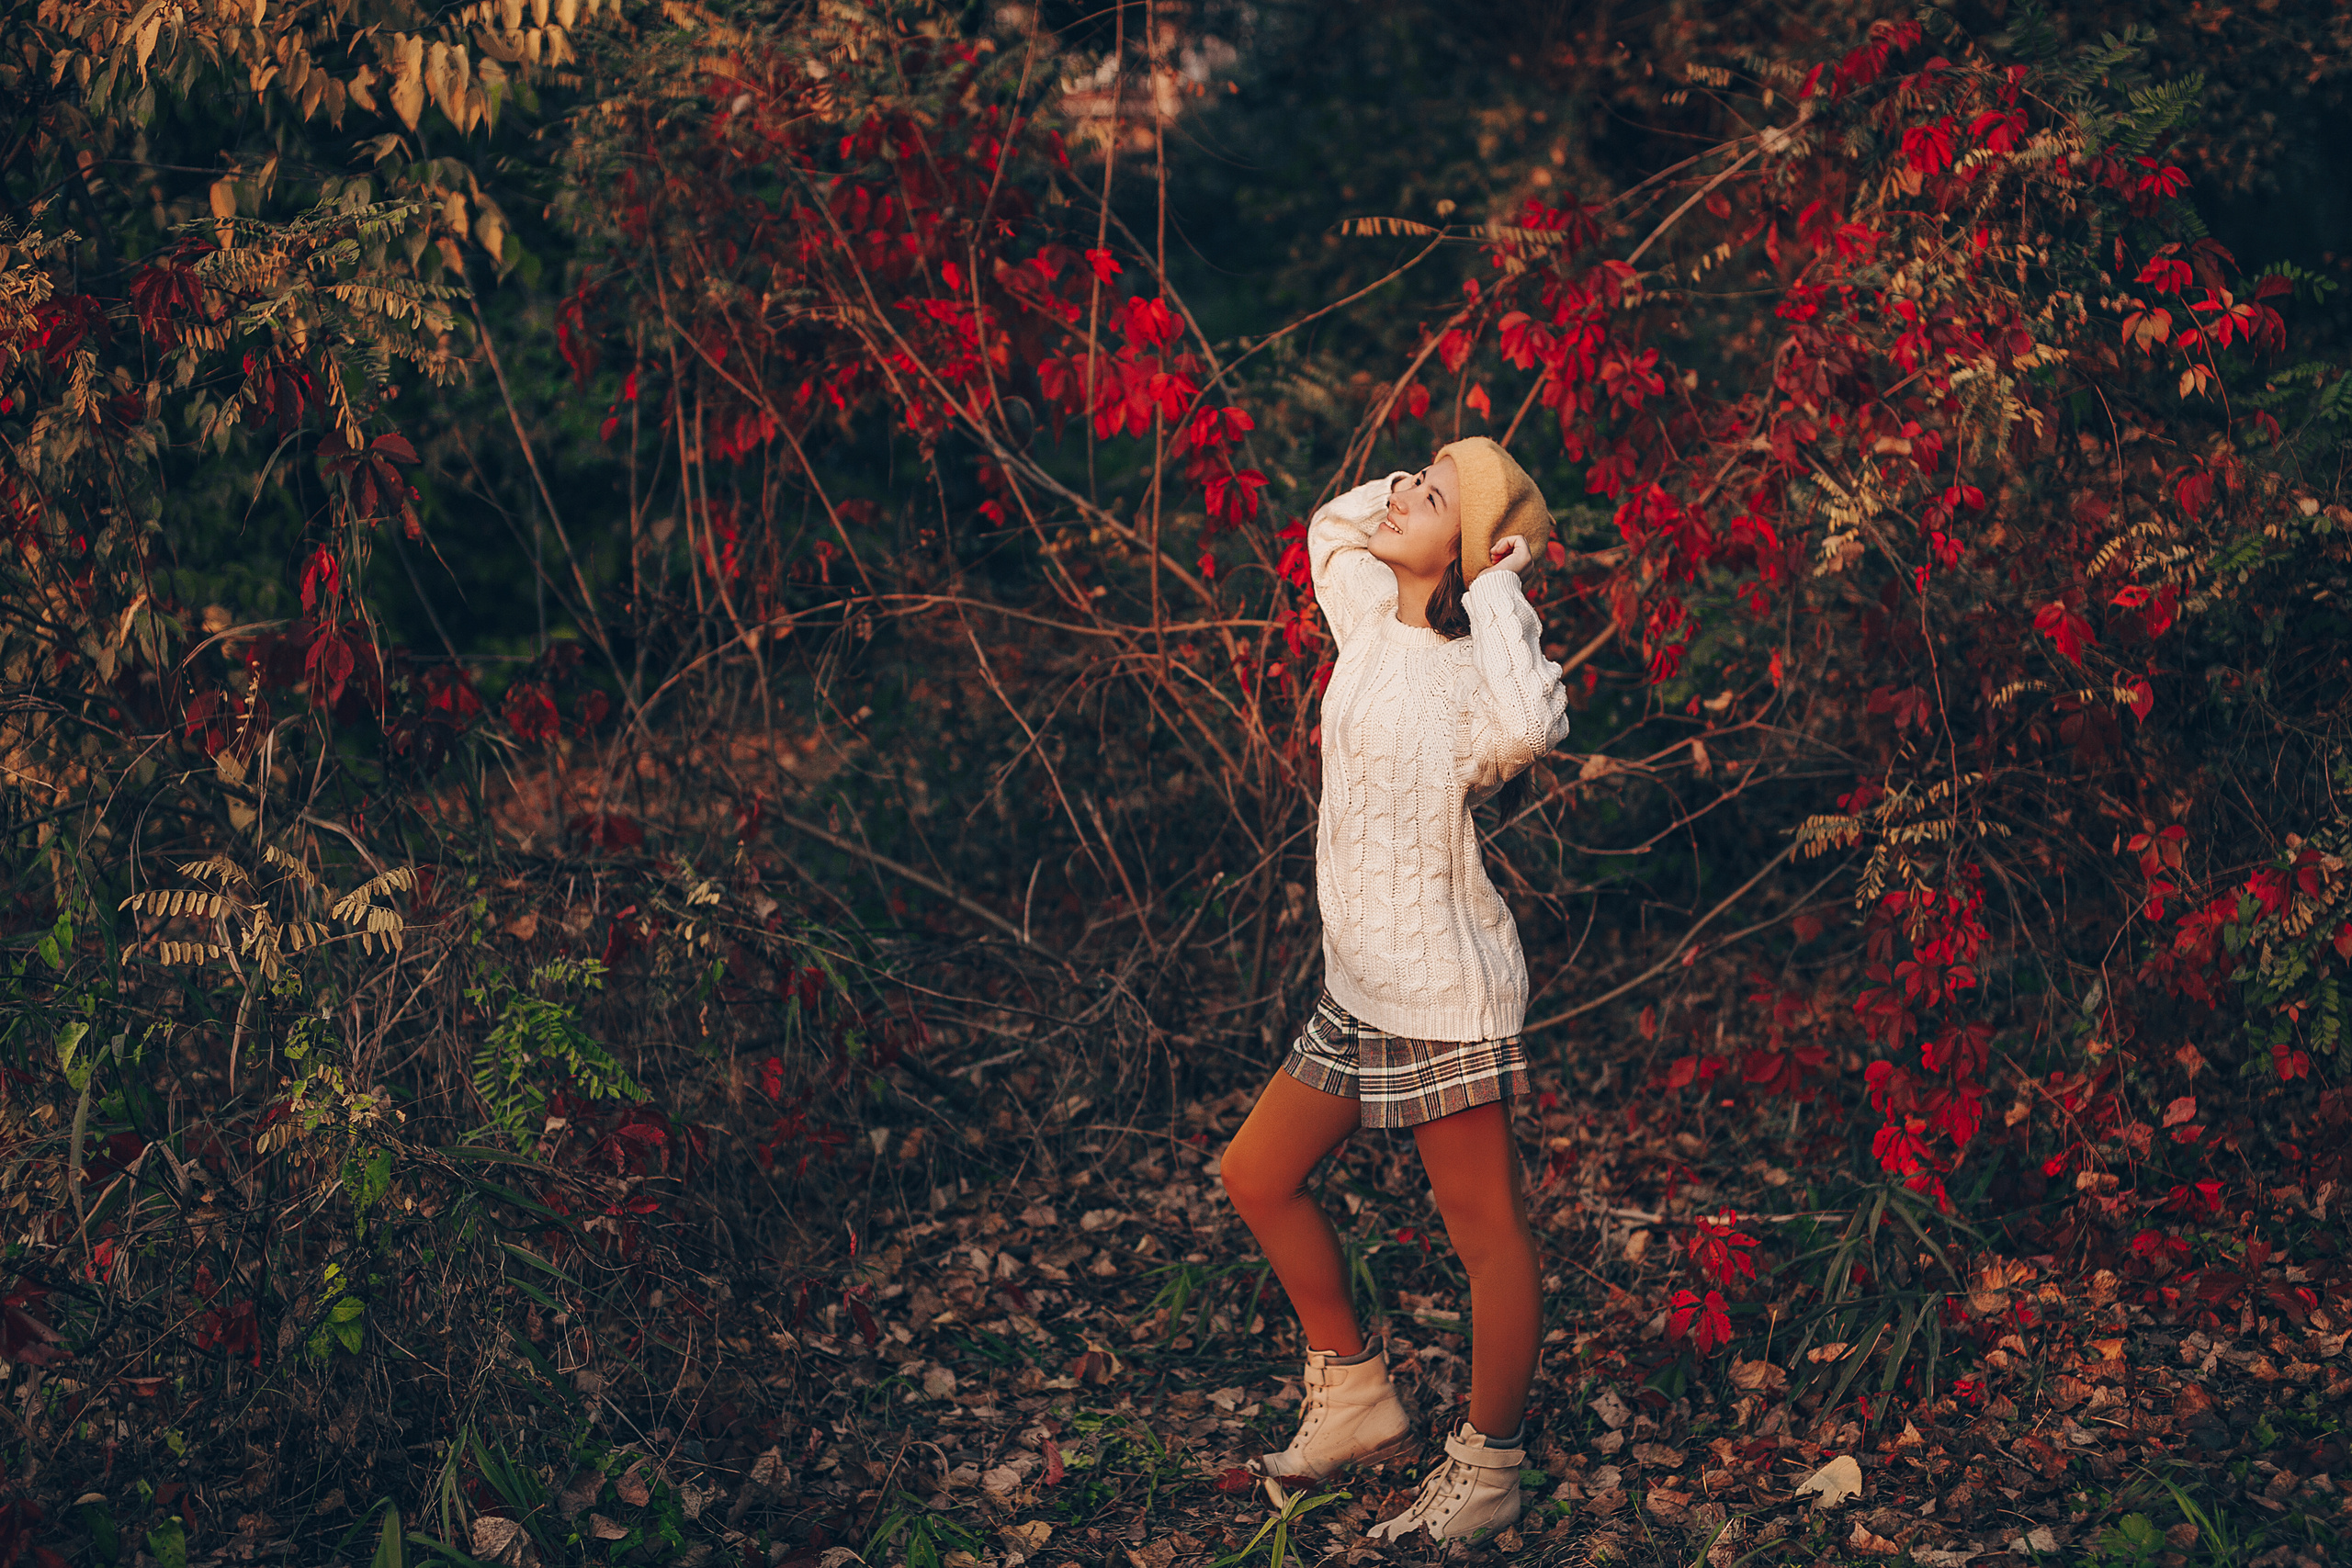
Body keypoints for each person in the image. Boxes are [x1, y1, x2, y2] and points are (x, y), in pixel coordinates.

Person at [1217, 437, 1570, 1542]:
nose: (1403, 492)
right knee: (1255, 1176)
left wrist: (1498, 579)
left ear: (1472, 548)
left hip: (1441, 997)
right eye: (1412, 475)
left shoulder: (1475, 682)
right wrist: (1424, 491)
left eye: (1431, 495)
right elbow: (1330, 526)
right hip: (1359, 984)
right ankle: (1357, 1396)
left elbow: (1534, 724)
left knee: (1486, 1237)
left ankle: (1489, 1468)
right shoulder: (1367, 618)